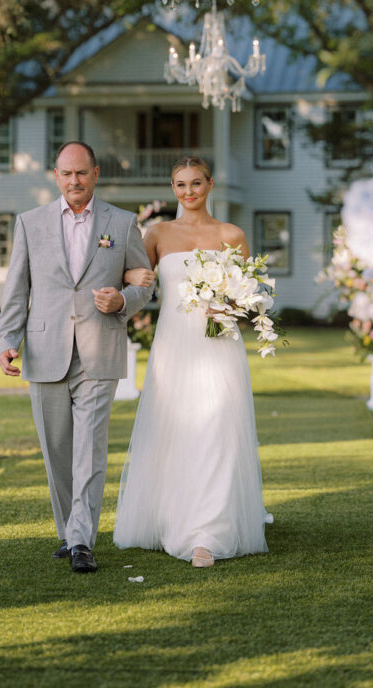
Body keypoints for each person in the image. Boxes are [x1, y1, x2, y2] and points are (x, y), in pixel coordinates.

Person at [0, 141, 153, 574]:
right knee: (57, 449)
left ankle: (82, 538)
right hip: (45, 348)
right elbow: (17, 288)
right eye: (66, 174)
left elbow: (144, 284)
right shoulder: (30, 223)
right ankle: (69, 532)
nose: (74, 181)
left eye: (81, 173)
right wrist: (7, 339)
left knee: (89, 448)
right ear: (56, 176)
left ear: (96, 174)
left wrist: (122, 300)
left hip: (99, 350)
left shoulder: (122, 224)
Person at [114, 155, 271, 568]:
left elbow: (249, 295)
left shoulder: (231, 234)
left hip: (219, 345)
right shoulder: (157, 233)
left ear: (210, 184)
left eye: (196, 183)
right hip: (174, 347)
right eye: (181, 185)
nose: (189, 192)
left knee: (218, 431)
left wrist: (230, 307)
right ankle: (173, 517)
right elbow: (136, 281)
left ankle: (207, 532)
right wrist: (124, 280)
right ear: (173, 189)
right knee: (176, 430)